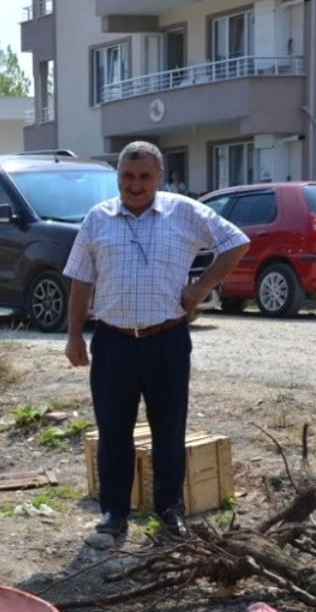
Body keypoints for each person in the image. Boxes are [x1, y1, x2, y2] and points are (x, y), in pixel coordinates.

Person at [63, 141, 249, 549]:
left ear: (159, 178)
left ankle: (170, 512)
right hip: (113, 342)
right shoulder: (98, 219)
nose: (135, 185)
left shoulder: (183, 212)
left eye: (145, 176)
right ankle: (114, 514)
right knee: (114, 432)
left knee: (169, 429)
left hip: (166, 340)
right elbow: (81, 279)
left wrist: (200, 287)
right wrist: (75, 333)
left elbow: (236, 242)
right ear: (118, 178)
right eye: (128, 176)